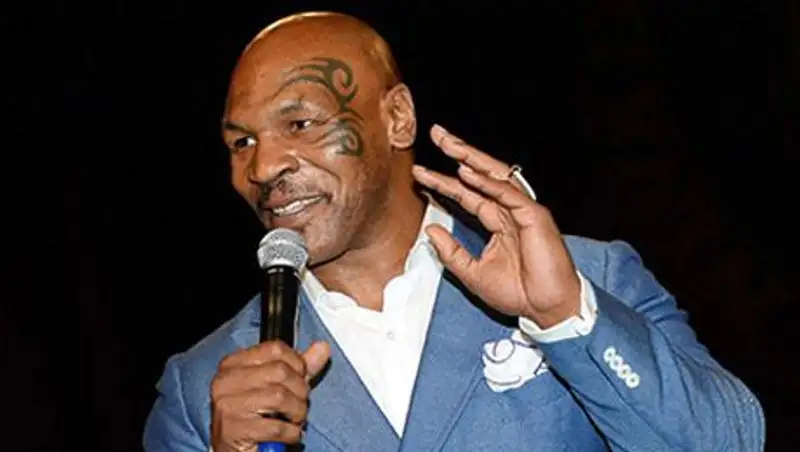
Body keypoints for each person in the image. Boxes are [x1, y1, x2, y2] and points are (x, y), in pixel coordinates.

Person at [143, 11, 765, 452]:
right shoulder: (207, 387)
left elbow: (732, 443)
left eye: (300, 124)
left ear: (397, 117)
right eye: (241, 143)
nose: (262, 168)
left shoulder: (586, 281)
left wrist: (565, 319)